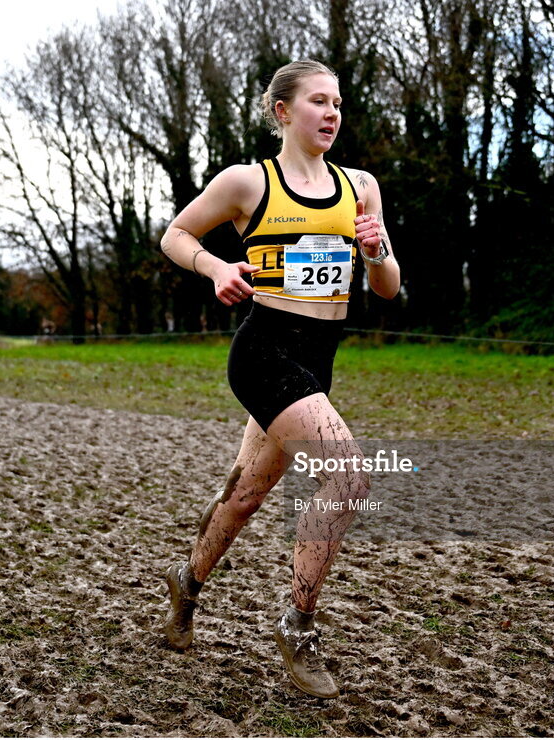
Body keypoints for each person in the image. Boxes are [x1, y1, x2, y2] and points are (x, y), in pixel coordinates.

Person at [159, 60, 400, 699]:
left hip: (317, 362)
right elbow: (174, 234)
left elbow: (387, 287)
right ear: (282, 112)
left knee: (244, 497)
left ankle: (186, 584)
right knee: (348, 472)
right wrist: (215, 268)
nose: (331, 114)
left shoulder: (361, 188)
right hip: (263, 352)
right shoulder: (247, 183)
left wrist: (375, 249)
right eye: (318, 102)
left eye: (339, 104)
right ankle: (299, 624)